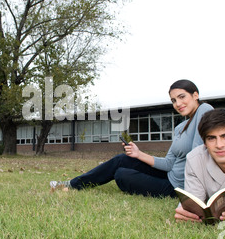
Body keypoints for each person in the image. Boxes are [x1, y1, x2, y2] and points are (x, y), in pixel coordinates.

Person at [50, 79, 214, 197]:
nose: (178, 103)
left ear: (195, 95)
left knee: (122, 175)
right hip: (169, 174)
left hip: (178, 186)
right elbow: (169, 163)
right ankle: (72, 184)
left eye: (182, 97)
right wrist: (138, 154)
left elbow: (198, 156)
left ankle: (74, 185)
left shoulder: (205, 110)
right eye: (173, 100)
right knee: (122, 160)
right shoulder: (179, 128)